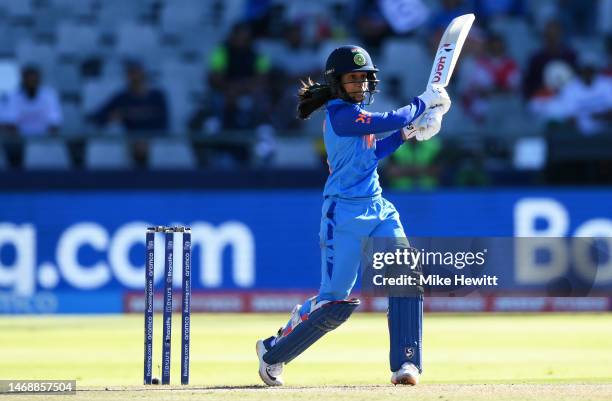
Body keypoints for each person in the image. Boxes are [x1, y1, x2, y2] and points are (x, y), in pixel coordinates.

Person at [255, 45, 450, 386]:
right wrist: (423, 102)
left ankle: (407, 364)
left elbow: (376, 151)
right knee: (334, 304)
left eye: (364, 78)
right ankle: (273, 350)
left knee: (405, 271)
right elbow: (388, 120)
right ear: (336, 83)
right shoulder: (340, 115)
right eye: (352, 78)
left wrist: (411, 132)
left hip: (377, 206)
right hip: (341, 215)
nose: (360, 85)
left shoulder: (356, 116)